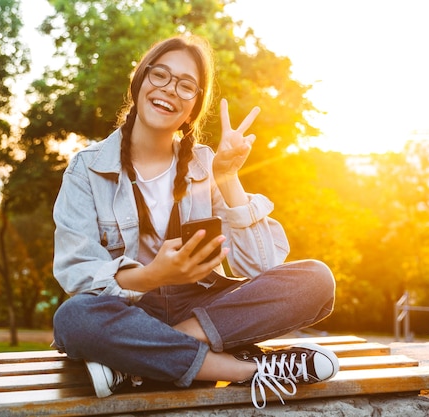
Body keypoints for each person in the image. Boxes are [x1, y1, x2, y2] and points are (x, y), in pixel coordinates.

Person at [51, 34, 338, 409]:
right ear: (139, 81)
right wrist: (155, 275)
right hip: (131, 309)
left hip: (202, 309)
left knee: (315, 280)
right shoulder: (86, 169)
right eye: (160, 76)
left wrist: (227, 177)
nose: (170, 90)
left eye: (186, 86)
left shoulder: (206, 165)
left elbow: (262, 266)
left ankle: (137, 362)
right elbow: (78, 273)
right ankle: (248, 369)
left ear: (193, 108)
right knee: (74, 318)